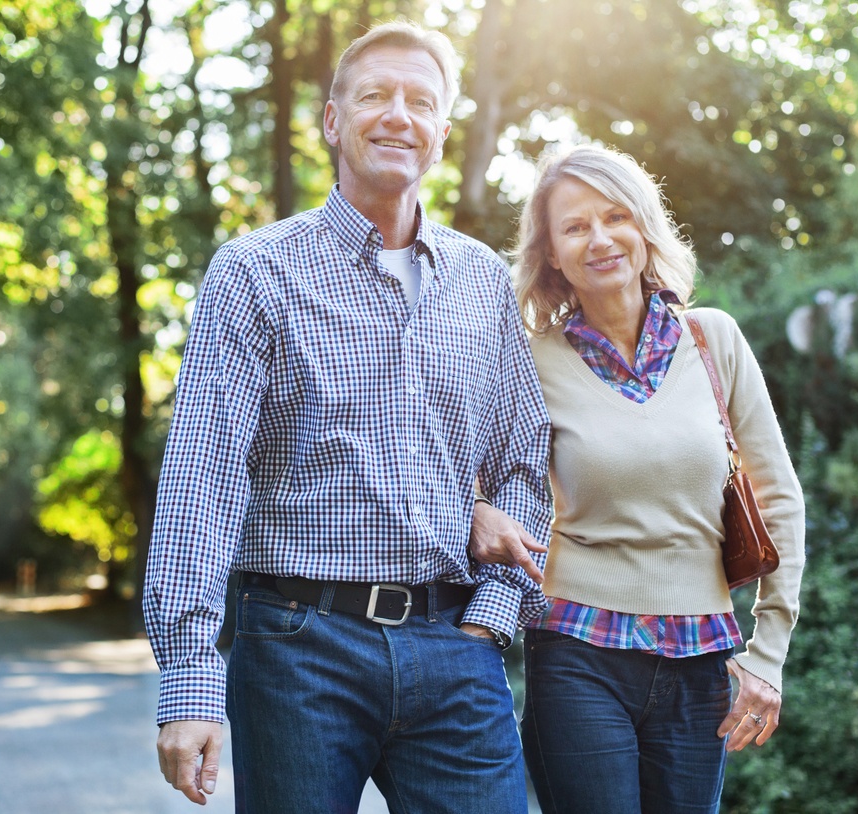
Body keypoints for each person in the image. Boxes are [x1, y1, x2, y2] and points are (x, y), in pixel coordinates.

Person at [142, 20, 551, 814]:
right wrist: (190, 678)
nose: (399, 114)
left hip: (452, 645)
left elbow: (527, 457)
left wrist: (492, 618)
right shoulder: (256, 271)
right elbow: (204, 475)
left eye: (421, 102)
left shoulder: (481, 281)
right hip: (299, 648)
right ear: (334, 121)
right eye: (376, 95)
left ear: (438, 133)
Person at [473, 144, 806, 813]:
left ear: (644, 228)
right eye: (574, 227)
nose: (599, 239)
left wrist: (768, 652)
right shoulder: (528, 362)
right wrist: (478, 509)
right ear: (552, 255)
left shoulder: (713, 342)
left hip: (700, 654)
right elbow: (463, 471)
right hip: (577, 652)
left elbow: (780, 500)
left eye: (615, 216)